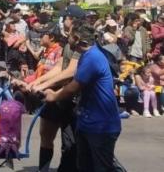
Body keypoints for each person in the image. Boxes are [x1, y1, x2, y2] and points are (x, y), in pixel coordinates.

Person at [44, 23, 122, 172]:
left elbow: (73, 87)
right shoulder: (86, 56)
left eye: (70, 35)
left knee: (101, 168)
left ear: (77, 38)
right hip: (88, 123)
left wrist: (54, 96)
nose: (67, 38)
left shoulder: (92, 57)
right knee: (84, 166)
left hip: (101, 125)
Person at [27, 11, 81, 172]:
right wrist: (38, 82)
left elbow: (70, 71)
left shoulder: (80, 43)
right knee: (46, 134)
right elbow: (59, 67)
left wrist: (43, 86)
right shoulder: (67, 44)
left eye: (66, 17)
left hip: (71, 97)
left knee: (70, 142)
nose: (63, 20)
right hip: (54, 94)